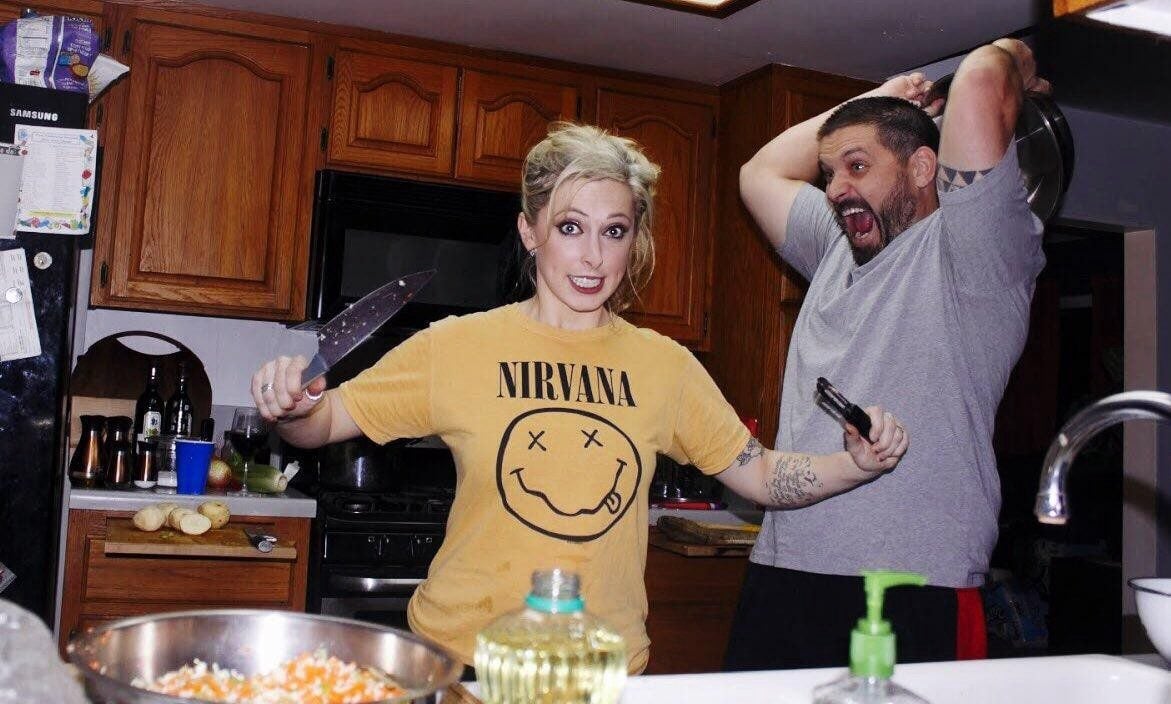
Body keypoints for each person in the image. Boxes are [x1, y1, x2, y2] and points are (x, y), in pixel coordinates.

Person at [252, 122, 909, 673]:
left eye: (614, 230)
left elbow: (760, 473)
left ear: (634, 239)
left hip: (598, 670)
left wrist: (855, 463)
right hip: (463, 661)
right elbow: (326, 421)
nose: (593, 256)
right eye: (570, 227)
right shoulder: (454, 346)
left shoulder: (664, 366)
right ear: (530, 232)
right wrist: (296, 405)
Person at [726, 38, 1050, 671]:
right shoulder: (836, 247)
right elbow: (757, 174)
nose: (835, 188)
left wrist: (1018, 55)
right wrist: (873, 102)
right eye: (830, 175)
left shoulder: (975, 254)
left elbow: (983, 81)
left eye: (856, 166)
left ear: (923, 168)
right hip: (785, 570)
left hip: (913, 589)